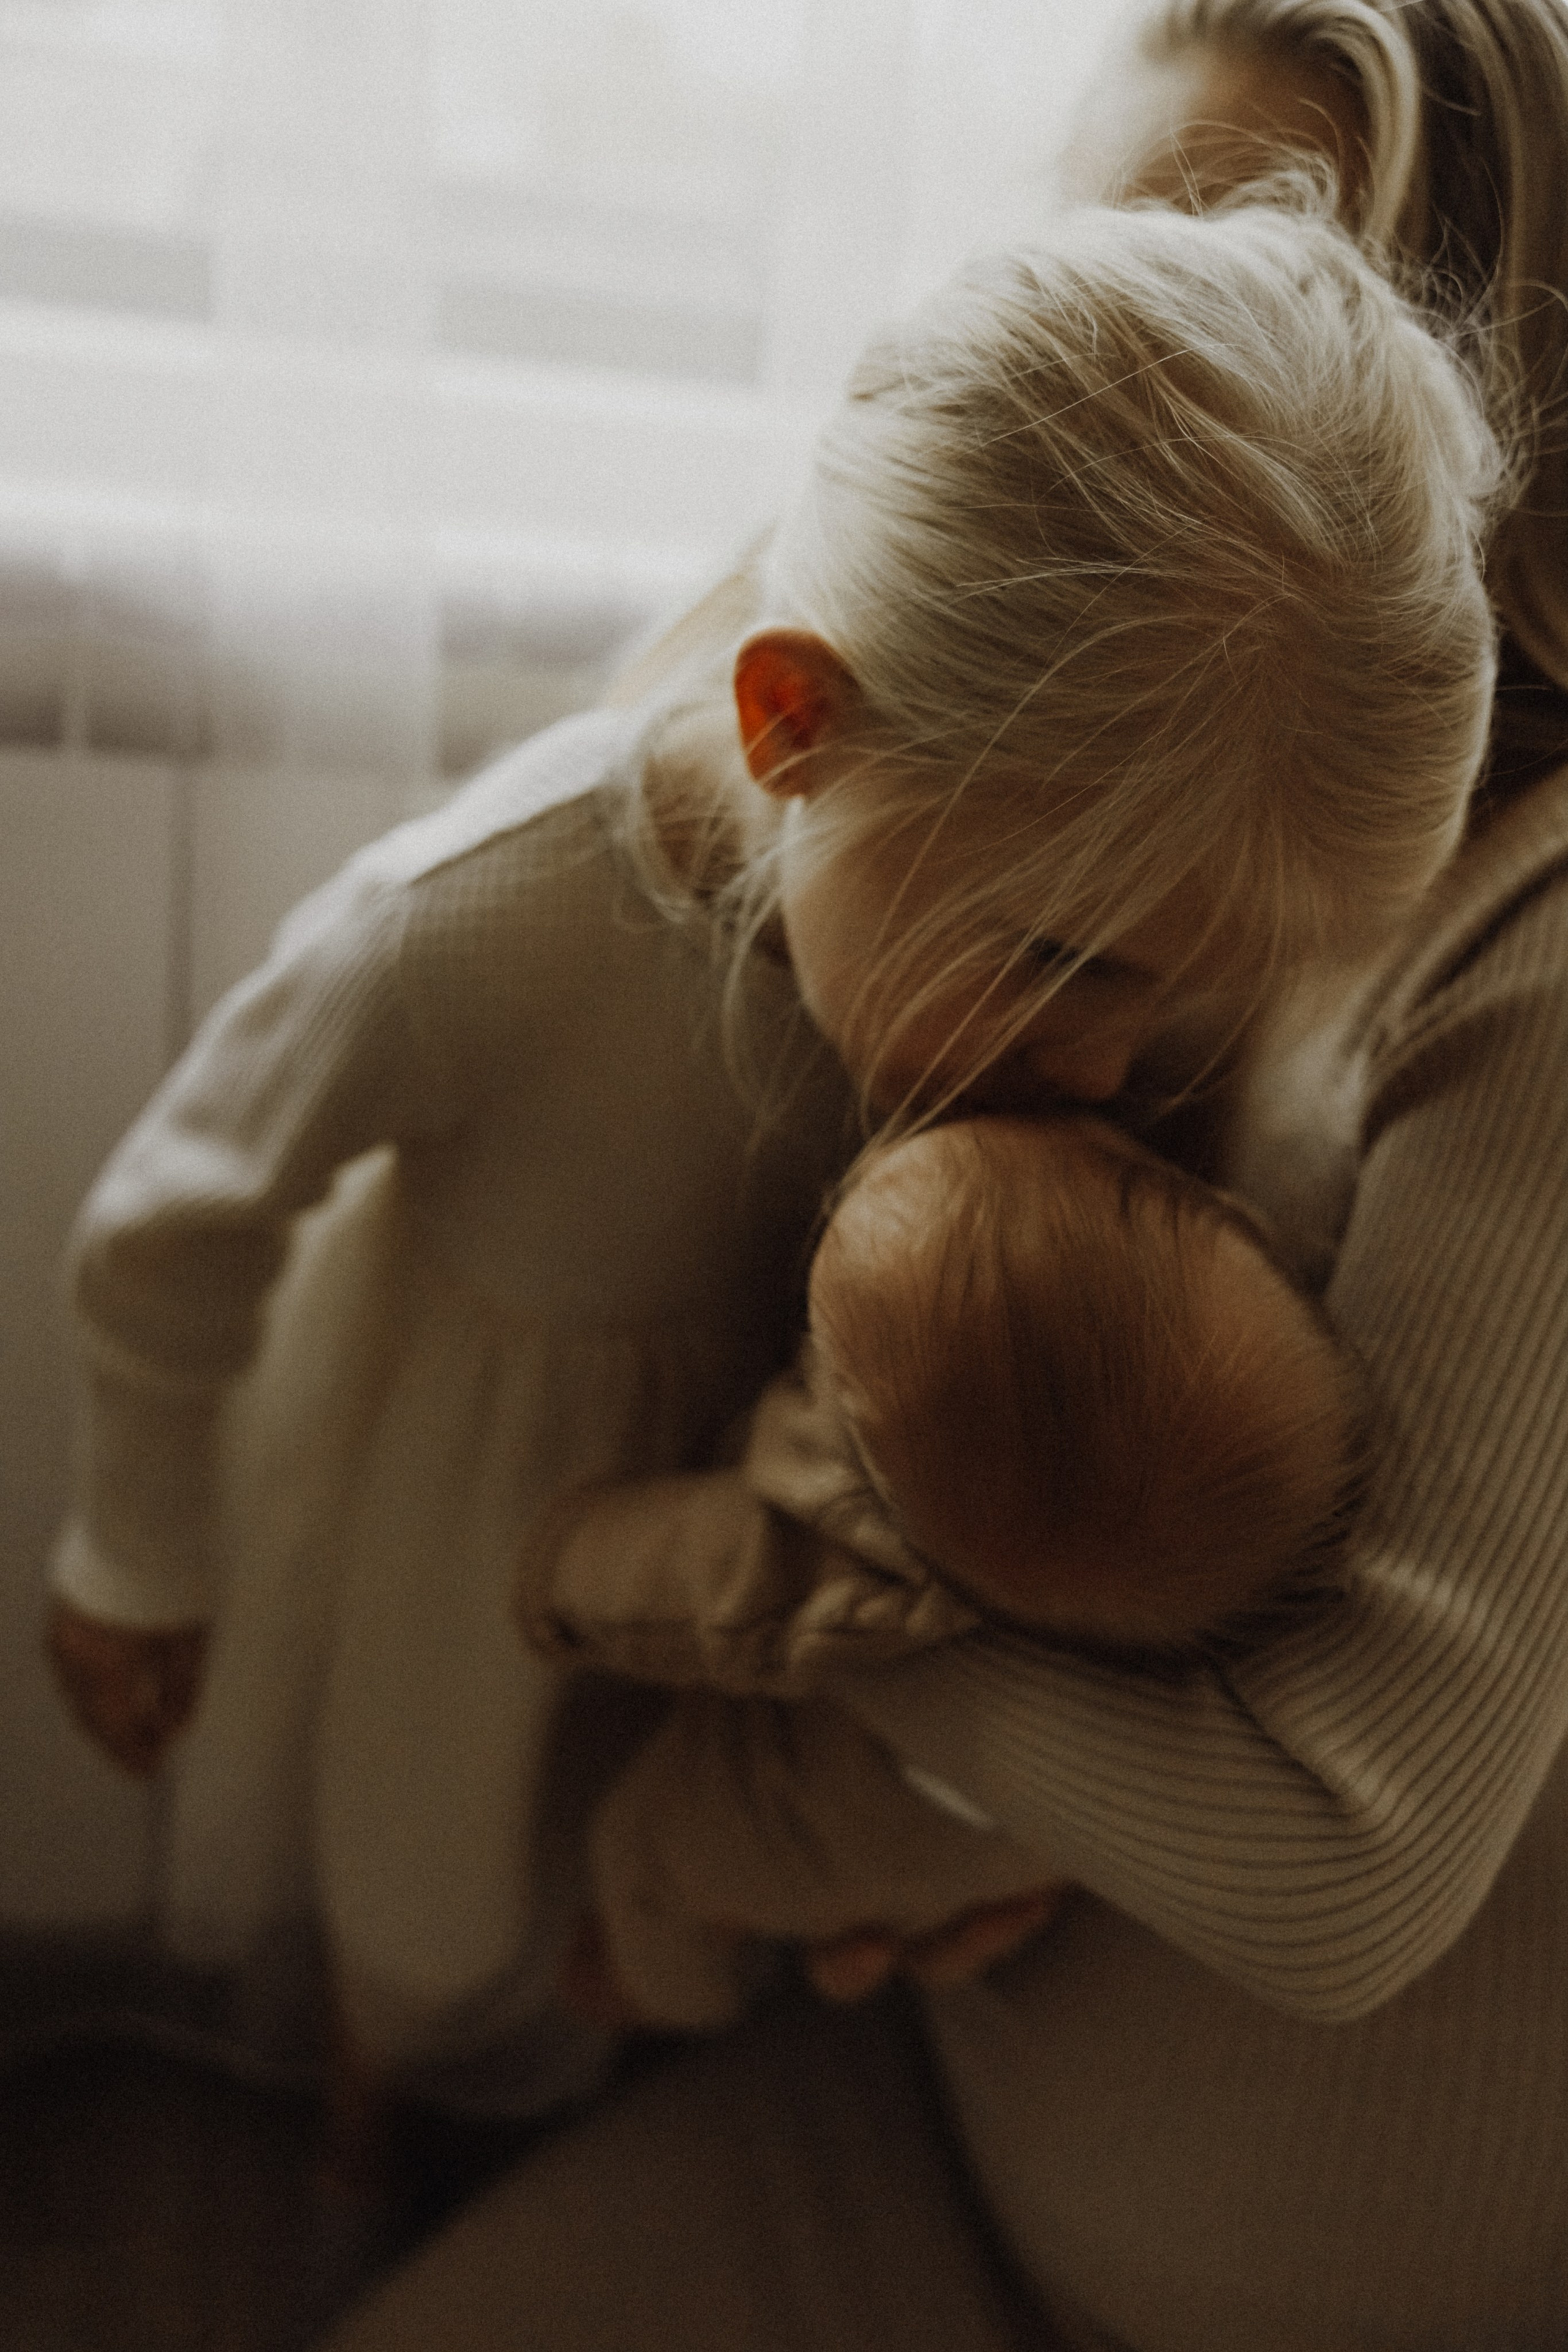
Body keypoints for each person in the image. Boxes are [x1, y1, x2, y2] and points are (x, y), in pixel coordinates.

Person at [307, 6, 1568, 2350]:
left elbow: (1333, 1871)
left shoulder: (1509, 940)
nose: (1110, 353)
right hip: (928, 2104)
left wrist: (837, 1647)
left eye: (1229, 270)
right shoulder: (1092, 750)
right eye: (1087, 254)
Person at [518, 1110, 1366, 2032]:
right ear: (1226, 1215)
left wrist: (555, 1571)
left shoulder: (837, 1559)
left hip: (839, 1817)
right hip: (1030, 1843)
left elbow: (674, 1582)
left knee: (642, 1857)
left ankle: (669, 2003)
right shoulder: (1204, 1468)